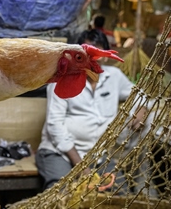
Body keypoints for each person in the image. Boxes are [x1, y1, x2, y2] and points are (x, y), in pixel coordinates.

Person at [35, 29, 147, 191]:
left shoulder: (113, 76)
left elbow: (139, 94)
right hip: (61, 154)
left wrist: (141, 109)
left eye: (98, 54)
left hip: (97, 156)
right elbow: (55, 126)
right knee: (60, 193)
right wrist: (81, 168)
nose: (93, 59)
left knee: (121, 192)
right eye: (87, 53)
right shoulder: (62, 81)